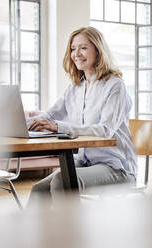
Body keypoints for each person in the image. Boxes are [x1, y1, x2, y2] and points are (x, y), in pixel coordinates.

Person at [26, 26, 137, 207]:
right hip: (85, 162)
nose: (76, 53)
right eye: (72, 49)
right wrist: (15, 123)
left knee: (62, 183)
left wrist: (58, 127)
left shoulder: (115, 86)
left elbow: (105, 130)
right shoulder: (75, 87)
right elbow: (49, 115)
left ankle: (71, 234)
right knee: (40, 190)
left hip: (117, 167)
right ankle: (32, 235)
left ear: (98, 50)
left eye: (83, 47)